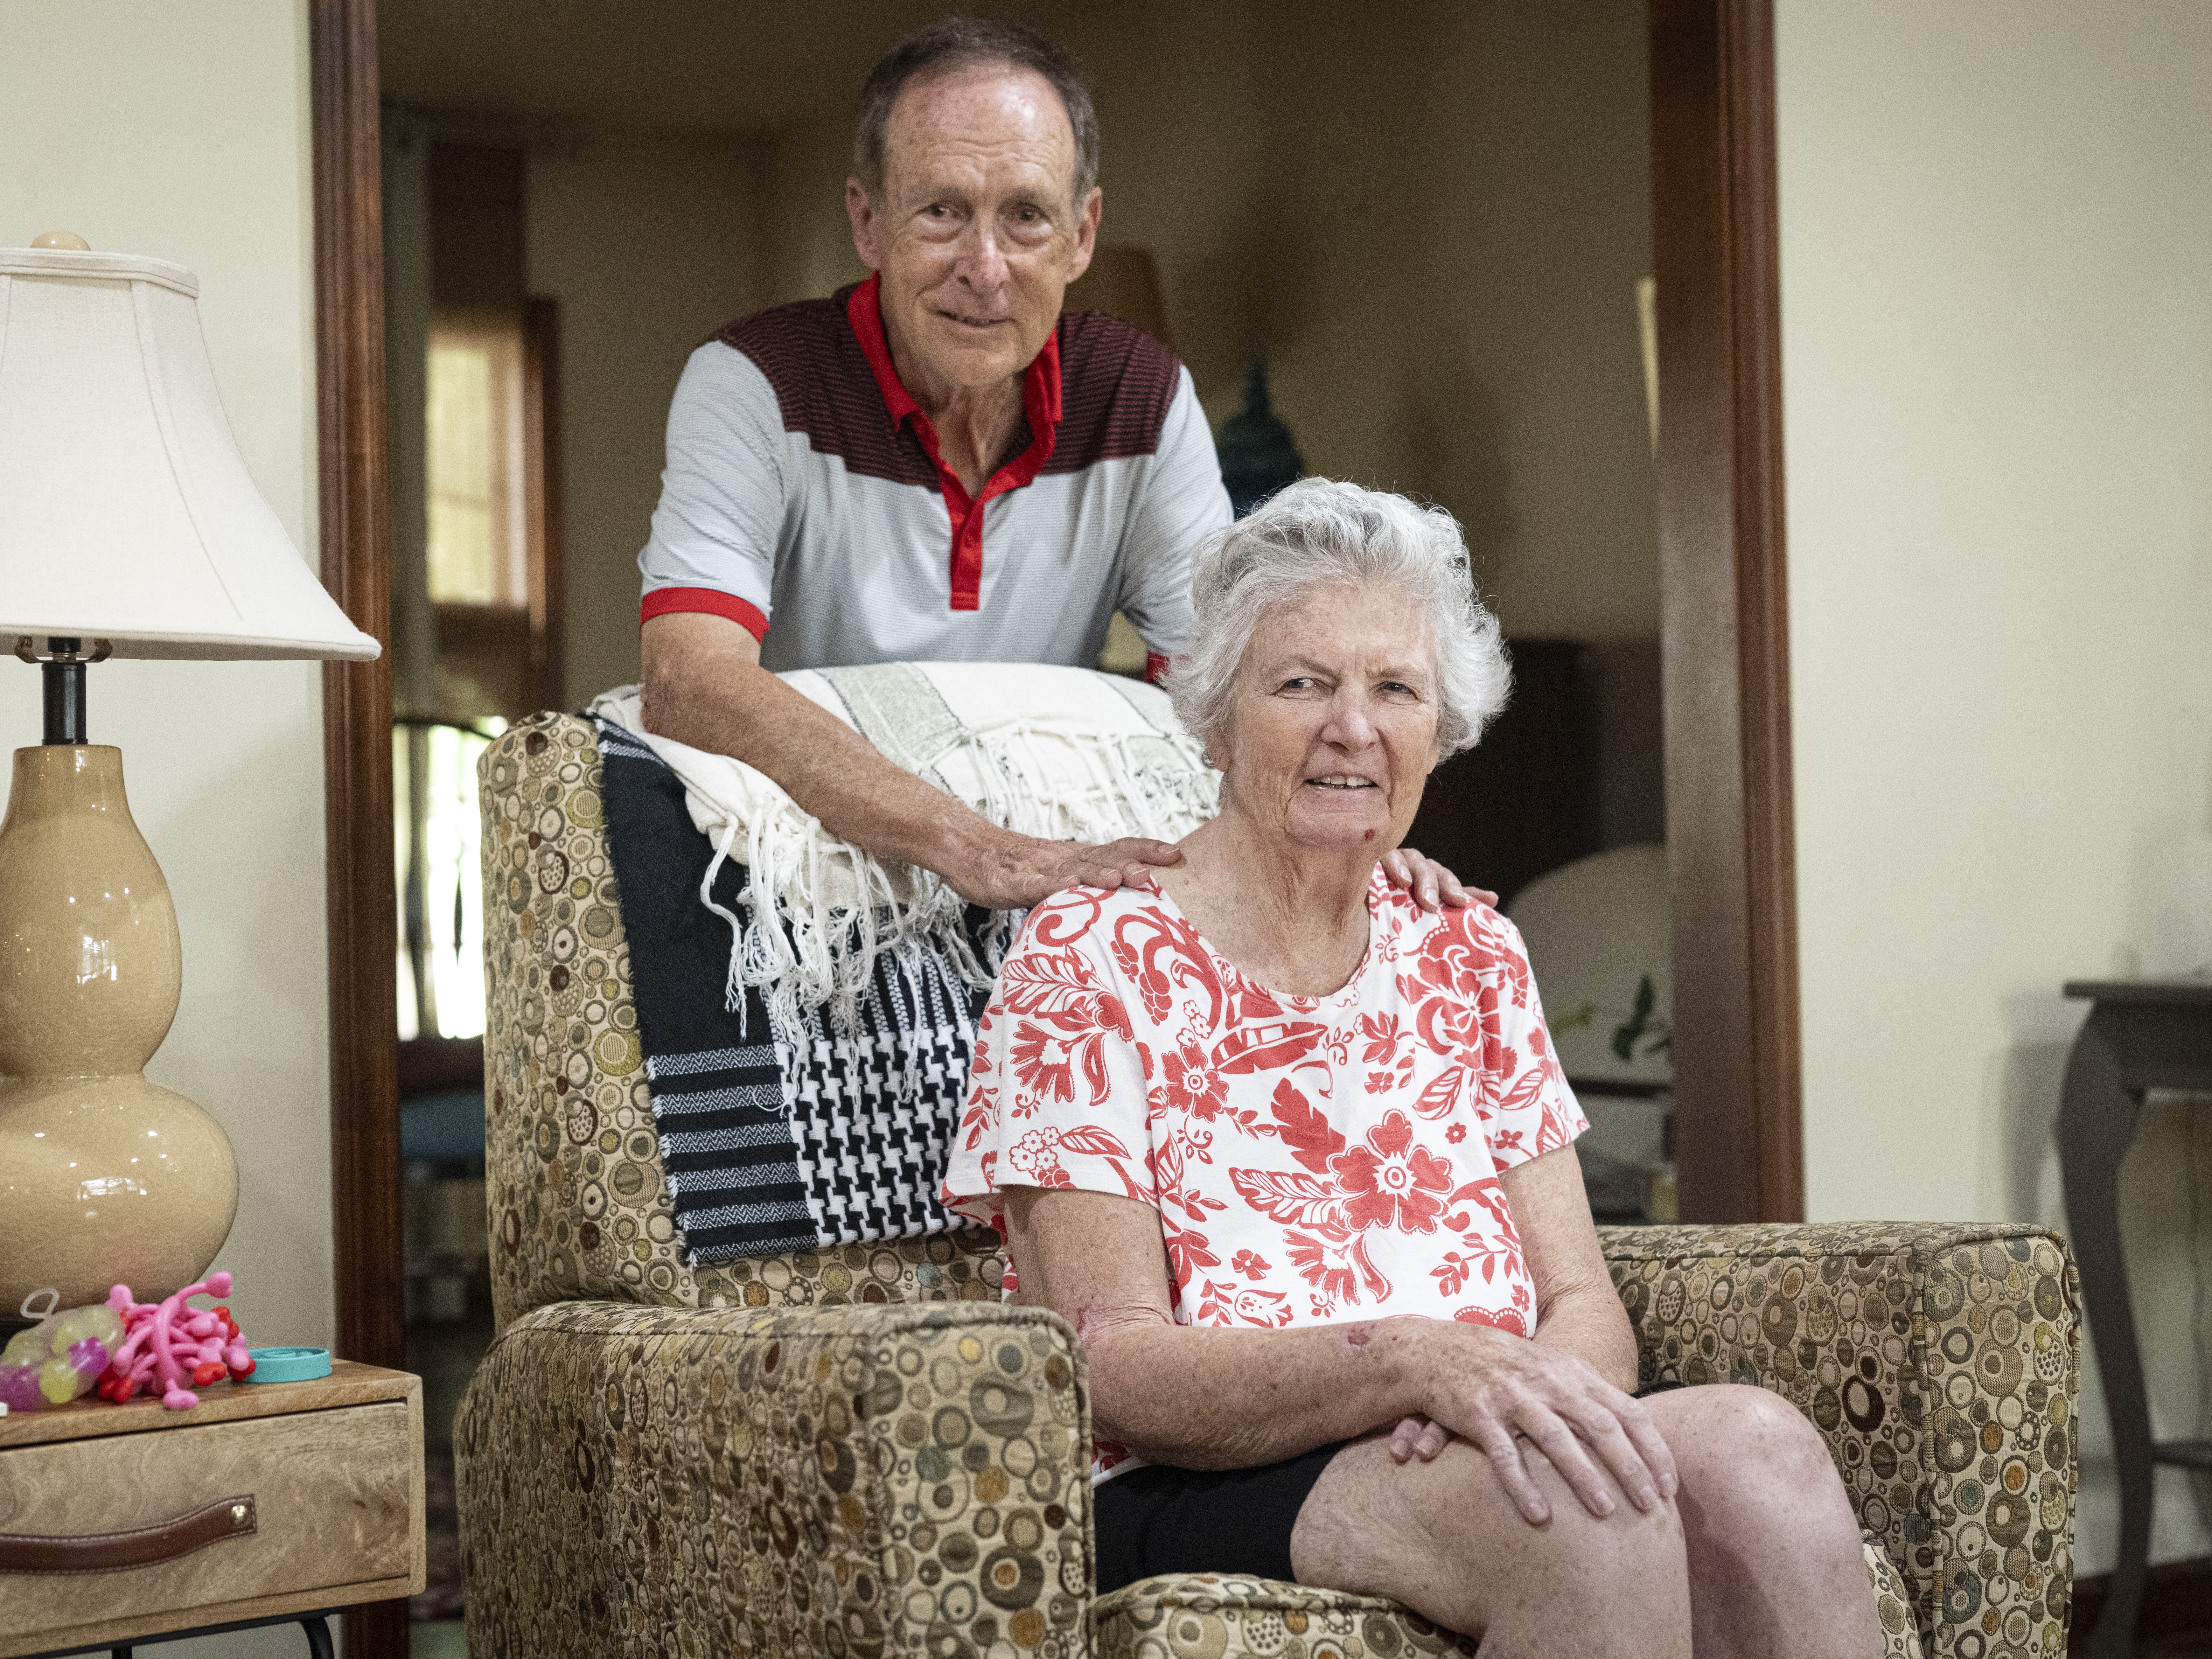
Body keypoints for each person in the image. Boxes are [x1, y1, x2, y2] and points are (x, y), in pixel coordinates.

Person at [943, 479, 1883, 1657]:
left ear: (1440, 731)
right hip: (1198, 1474)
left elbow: (1579, 1300)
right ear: (1216, 719)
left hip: (1453, 1444)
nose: (1354, 727)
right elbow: (1111, 1363)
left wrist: (1518, 1409)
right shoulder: (1088, 954)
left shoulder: (1470, 948)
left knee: (1764, 1451)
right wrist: (1411, 1365)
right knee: (1587, 1520)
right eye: (1301, 683)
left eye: (1395, 689)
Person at [635, 19, 1470, 915]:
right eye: (941, 212)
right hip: (802, 872)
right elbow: (688, 677)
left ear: (1081, 234)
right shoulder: (754, 381)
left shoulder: (1140, 394)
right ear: (868, 222)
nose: (984, 270)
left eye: (1026, 217)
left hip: (1041, 855)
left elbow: (1229, 679)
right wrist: (978, 850)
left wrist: (1358, 841)